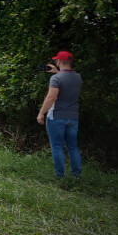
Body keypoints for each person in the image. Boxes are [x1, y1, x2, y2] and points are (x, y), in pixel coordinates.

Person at [37, 50, 83, 179]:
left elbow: (51, 97)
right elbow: (67, 84)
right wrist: (57, 72)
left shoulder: (56, 78)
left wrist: (41, 113)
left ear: (58, 61)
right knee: (72, 147)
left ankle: (60, 176)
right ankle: (76, 176)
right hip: (73, 117)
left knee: (57, 146)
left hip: (56, 116)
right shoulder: (77, 77)